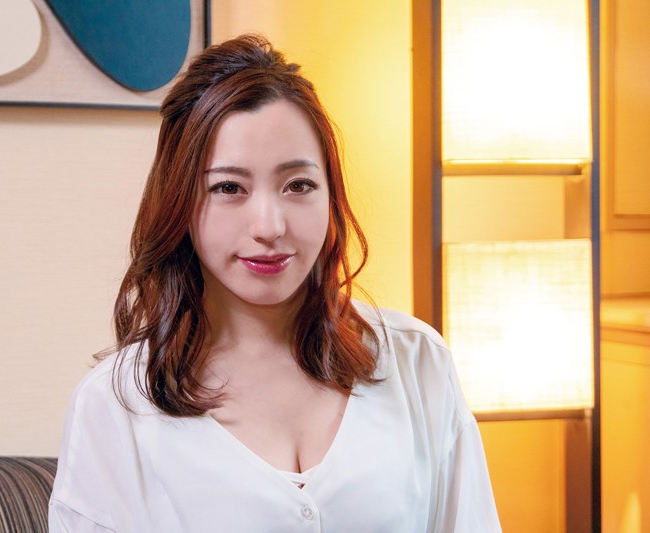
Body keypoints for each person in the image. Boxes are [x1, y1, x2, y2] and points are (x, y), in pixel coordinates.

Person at [48, 34, 501, 532]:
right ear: (178, 203)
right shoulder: (115, 406)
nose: (269, 226)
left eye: (298, 185)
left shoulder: (418, 362)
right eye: (228, 188)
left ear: (331, 195)